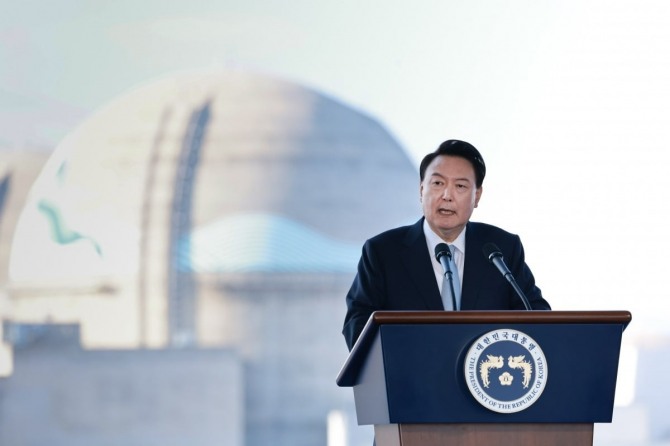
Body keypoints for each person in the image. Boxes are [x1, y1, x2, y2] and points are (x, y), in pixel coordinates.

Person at [342, 139, 551, 350]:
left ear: (477, 196)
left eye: (460, 186)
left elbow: (538, 317)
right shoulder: (383, 252)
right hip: (411, 369)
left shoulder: (502, 249)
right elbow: (357, 326)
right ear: (421, 189)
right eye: (438, 183)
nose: (447, 196)